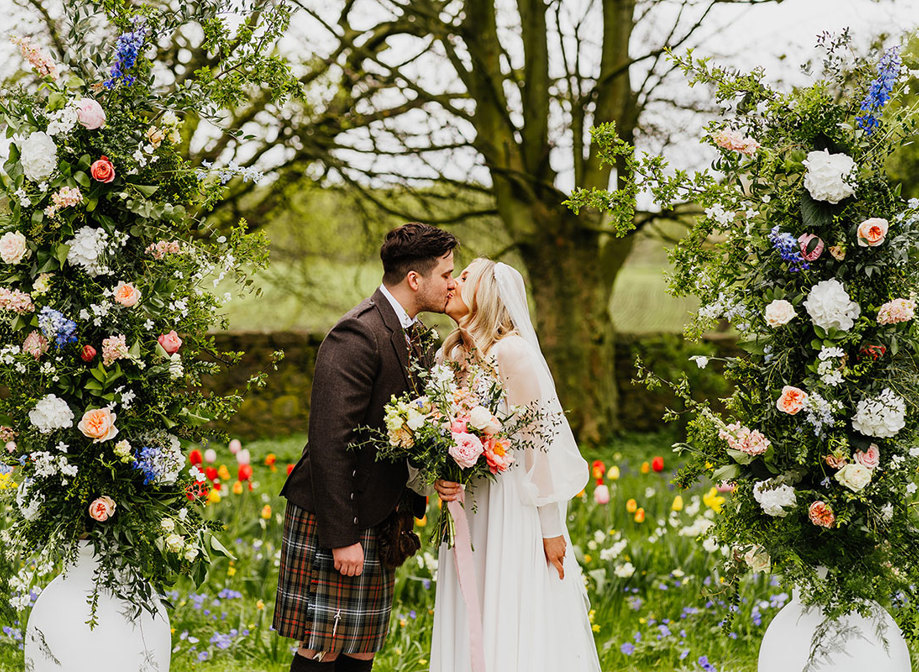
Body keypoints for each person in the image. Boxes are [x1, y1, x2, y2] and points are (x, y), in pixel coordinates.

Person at [273, 223, 457, 672]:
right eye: (446, 274)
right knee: (325, 646)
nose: (453, 283)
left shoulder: (412, 333)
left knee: (361, 647)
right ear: (415, 279)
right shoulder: (357, 334)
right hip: (338, 514)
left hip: (379, 512)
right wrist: (342, 538)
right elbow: (329, 442)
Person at [430, 258, 601, 672]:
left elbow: (541, 446)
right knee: (471, 607)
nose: (452, 283)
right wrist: (442, 476)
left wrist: (550, 528)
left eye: (463, 276)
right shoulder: (449, 354)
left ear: (486, 291)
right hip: (468, 506)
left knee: (509, 605)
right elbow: (440, 434)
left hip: (510, 505)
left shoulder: (513, 352)